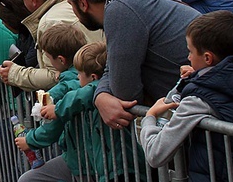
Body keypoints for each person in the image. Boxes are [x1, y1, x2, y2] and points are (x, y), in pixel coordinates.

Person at [140, 11, 233, 182]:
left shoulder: (197, 100)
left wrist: (150, 117)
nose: (188, 57)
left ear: (207, 58)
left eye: (190, 51)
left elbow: (156, 154)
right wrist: (197, 77)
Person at [61, 0, 198, 129]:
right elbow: (113, 65)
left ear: (82, 3)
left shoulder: (121, 9)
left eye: (71, 4)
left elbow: (126, 94)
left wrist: (103, 94)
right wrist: (100, 94)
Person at [19, 42, 145, 182]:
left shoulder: (102, 90)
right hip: (96, 164)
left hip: (119, 168)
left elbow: (88, 91)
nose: (77, 77)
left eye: (79, 74)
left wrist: (58, 109)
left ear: (92, 77)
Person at [0, 0, 102, 92]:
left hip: (80, 96)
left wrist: (15, 73)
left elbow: (55, 76)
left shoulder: (49, 22)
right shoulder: (69, 6)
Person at [15, 24, 84, 182]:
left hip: (81, 158)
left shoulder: (62, 88)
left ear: (60, 59)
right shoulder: (84, 74)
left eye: (49, 58)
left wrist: (29, 141)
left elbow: (52, 126)